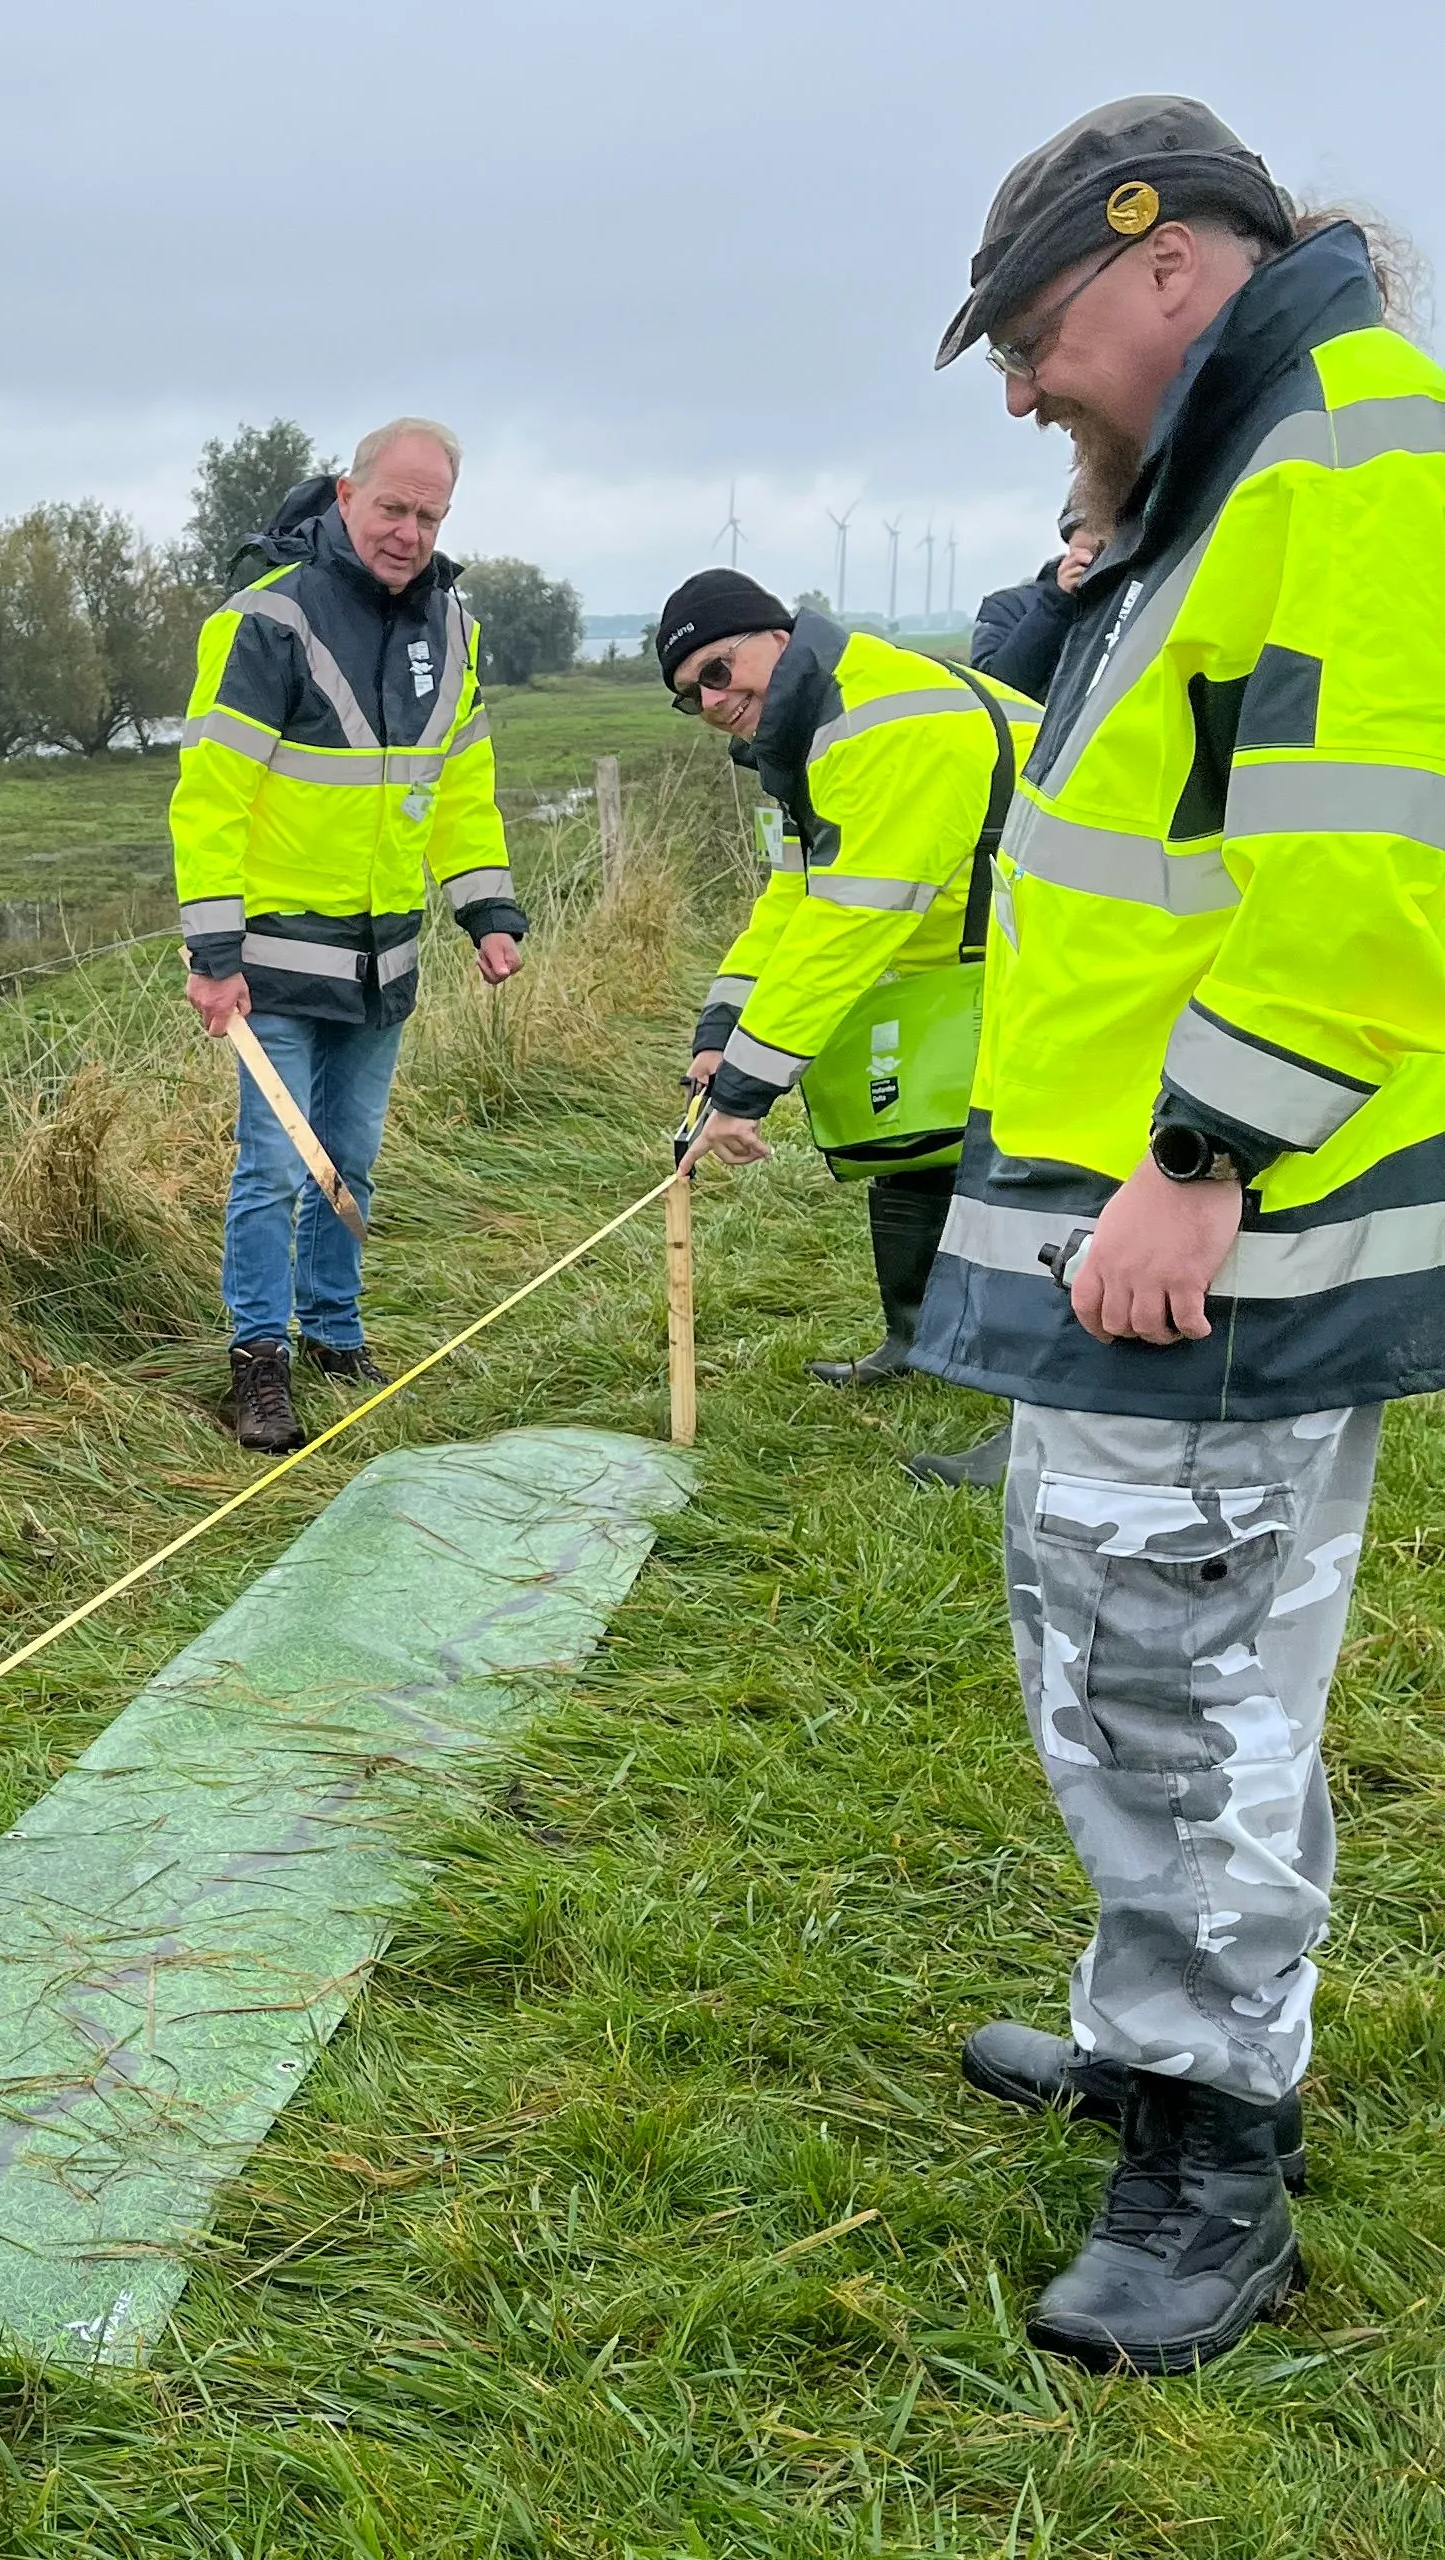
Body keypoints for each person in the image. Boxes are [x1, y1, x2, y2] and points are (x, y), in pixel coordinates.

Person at [914, 95, 1445, 2372]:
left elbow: (1374, 843)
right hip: (1133, 1202)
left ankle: (1215, 2145)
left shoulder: (1349, 441)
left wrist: (1207, 1148)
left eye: (1033, 339)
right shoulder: (1217, 468)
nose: (1023, 386)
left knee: (1190, 1664)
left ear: (1165, 264)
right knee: (1108, 1630)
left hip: (1229, 1215)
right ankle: (1161, 2022)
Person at [171, 416, 528, 1452]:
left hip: (388, 957)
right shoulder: (263, 623)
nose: (408, 532)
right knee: (273, 1168)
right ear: (344, 495)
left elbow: (461, 785)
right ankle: (260, 1362)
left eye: (429, 514)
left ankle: (335, 1333)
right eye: (392, 508)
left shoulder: (451, 628)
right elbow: (210, 799)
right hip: (274, 958)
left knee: (353, 1158)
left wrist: (486, 908)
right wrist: (213, 954)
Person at [664, 568, 1037, 1479]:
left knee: (1031, 1182)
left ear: (778, 639)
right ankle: (917, 1341)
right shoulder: (810, 733)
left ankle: (1045, 1425)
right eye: (691, 697)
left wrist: (749, 1091)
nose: (713, 701)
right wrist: (723, 1028)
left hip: (1062, 953)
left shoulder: (885, 722)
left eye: (720, 669)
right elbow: (795, 900)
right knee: (906, 1146)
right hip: (958, 965)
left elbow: (852, 923)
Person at [968, 497, 1106, 698]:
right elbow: (996, 690)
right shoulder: (1007, 606)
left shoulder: (1140, 598)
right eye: (1089, 557)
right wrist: (1058, 602)